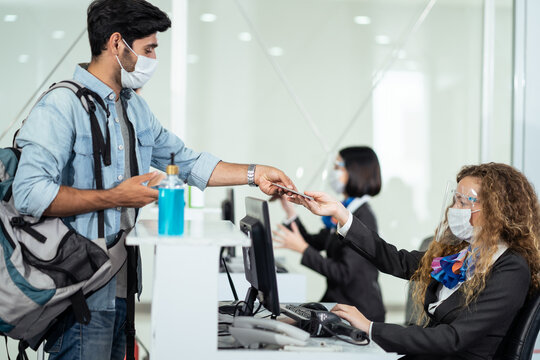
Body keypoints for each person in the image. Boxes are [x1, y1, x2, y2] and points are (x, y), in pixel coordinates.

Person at [12, 1, 296, 359]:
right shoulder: (61, 105)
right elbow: (29, 193)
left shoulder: (133, 106)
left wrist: (255, 174)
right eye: (148, 49)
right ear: (117, 43)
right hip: (79, 292)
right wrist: (115, 197)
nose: (153, 59)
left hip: (123, 286)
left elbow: (188, 161)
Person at [289, 163, 540, 359]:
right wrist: (341, 215)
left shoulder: (511, 267)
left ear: (495, 211)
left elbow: (453, 338)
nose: (454, 208)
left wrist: (370, 327)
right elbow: (396, 261)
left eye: (463, 202)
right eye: (455, 199)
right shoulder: (464, 252)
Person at [273, 146, 385, 321]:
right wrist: (290, 212)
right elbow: (314, 241)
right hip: (338, 301)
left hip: (359, 311)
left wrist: (302, 249)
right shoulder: (346, 210)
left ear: (356, 170)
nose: (333, 173)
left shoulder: (363, 217)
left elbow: (344, 273)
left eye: (338, 167)